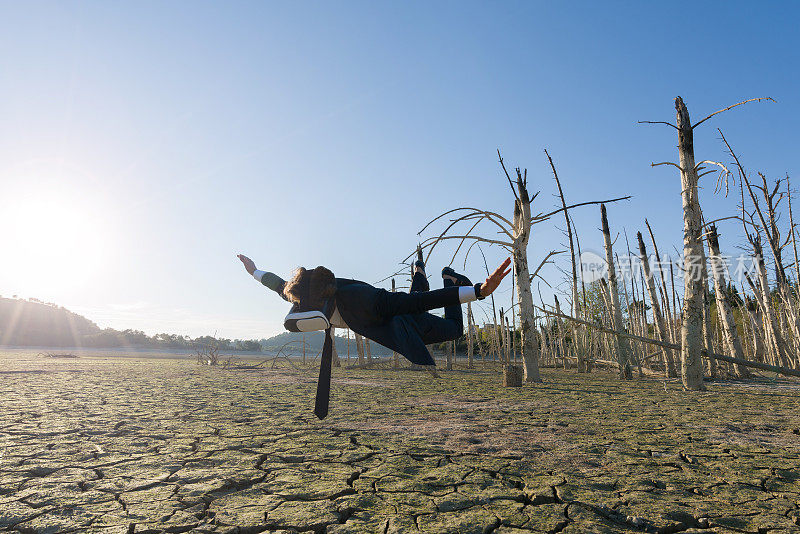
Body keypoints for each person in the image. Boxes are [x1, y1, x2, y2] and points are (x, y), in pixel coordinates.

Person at [236, 251, 511, 368]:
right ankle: (420, 273)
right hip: (389, 317)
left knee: (453, 329)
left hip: (396, 317)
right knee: (413, 298)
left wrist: (477, 291)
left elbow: (418, 302)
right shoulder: (302, 296)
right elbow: (278, 285)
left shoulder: (364, 299)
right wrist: (253, 271)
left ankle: (452, 280)